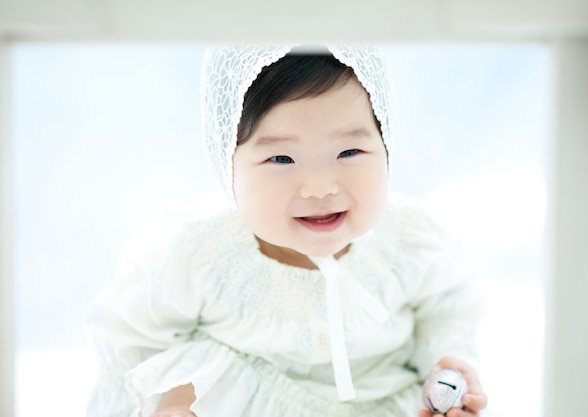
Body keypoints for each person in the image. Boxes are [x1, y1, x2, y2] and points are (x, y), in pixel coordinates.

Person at [86, 44, 488, 417]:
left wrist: (447, 364)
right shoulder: (199, 251)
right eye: (281, 158)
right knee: (187, 383)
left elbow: (447, 312)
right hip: (247, 404)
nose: (319, 188)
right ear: (226, 165)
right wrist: (168, 400)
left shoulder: (410, 239)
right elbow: (130, 342)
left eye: (349, 152)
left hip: (378, 403)